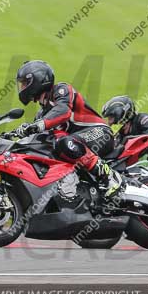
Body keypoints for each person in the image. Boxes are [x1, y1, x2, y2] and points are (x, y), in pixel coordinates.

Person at [14, 60, 123, 198]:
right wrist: (18, 133)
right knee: (45, 147)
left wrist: (39, 125)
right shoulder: (42, 114)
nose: (22, 87)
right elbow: (38, 135)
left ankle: (111, 177)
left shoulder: (62, 90)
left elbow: (63, 111)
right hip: (79, 142)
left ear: (38, 80)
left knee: (65, 143)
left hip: (101, 133)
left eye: (24, 83)